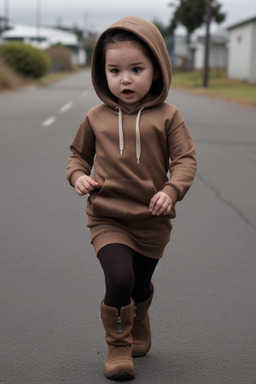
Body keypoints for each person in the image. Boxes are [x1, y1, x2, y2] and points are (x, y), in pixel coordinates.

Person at [66, 16, 197, 381]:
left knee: (139, 284)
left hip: (152, 219)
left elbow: (185, 160)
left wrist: (171, 191)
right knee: (119, 279)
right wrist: (78, 177)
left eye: (136, 69)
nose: (125, 79)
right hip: (107, 216)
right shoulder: (95, 117)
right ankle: (118, 345)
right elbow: (77, 156)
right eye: (114, 70)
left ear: (156, 70)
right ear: (102, 72)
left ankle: (140, 318)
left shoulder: (169, 117)